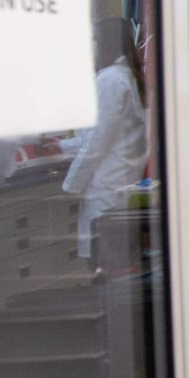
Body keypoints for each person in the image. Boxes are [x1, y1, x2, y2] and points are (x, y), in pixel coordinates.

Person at [63, 17, 148, 259]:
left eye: (94, 41)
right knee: (118, 262)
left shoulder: (110, 80)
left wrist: (70, 186)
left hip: (107, 189)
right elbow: (104, 136)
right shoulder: (129, 76)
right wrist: (59, 146)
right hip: (121, 183)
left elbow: (95, 144)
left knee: (105, 263)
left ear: (105, 43)